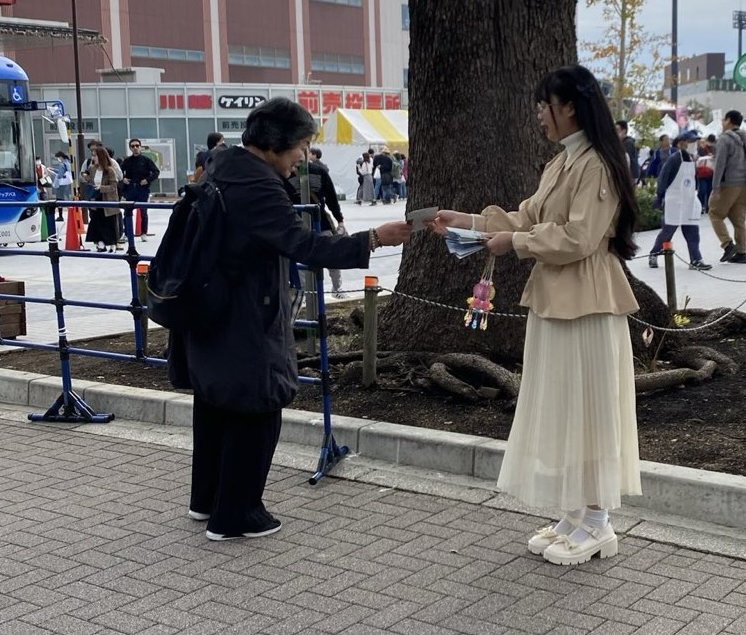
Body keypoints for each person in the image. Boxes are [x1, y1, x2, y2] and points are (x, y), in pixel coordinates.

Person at [431, 65, 641, 566]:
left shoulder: (596, 164)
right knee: (566, 404)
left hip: (588, 299)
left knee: (588, 408)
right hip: (555, 297)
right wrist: (470, 222)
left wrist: (517, 242)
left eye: (545, 105)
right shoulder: (563, 161)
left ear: (570, 107)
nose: (539, 114)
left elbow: (578, 238)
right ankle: (576, 511)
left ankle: (598, 521)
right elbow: (527, 217)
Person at [180, 98, 410, 541]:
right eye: (301, 146)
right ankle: (236, 516)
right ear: (274, 144)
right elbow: (303, 245)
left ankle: (205, 501)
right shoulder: (258, 185)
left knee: (215, 404)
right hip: (246, 312)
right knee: (258, 407)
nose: (304, 157)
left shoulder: (220, 168)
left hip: (209, 310)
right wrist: (373, 238)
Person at [647, 132, 712, 271]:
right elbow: (663, 177)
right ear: (681, 143)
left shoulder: (691, 158)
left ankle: (696, 260)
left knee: (692, 232)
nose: (694, 144)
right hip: (674, 201)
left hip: (689, 200)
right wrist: (659, 196)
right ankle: (653, 254)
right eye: (691, 141)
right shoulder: (674, 159)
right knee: (668, 231)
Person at [286, 158, 348, 298]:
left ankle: (334, 288)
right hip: (301, 223)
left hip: (316, 222)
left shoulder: (318, 171)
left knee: (329, 255)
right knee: (305, 259)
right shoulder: (286, 172)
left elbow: (331, 197)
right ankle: (308, 292)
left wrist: (339, 219)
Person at [708, 110, 746, 264]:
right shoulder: (744, 136)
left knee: (714, 213)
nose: (722, 122)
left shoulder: (725, 139)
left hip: (729, 183)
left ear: (729, 120)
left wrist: (715, 187)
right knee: (738, 219)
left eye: (724, 120)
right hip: (743, 184)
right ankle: (742, 251)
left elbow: (720, 164)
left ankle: (727, 244)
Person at [82, 146, 123, 252]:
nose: (93, 158)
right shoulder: (92, 168)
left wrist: (101, 188)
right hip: (95, 198)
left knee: (109, 223)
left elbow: (113, 187)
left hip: (107, 199)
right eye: (92, 156)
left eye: (95, 156)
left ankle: (113, 244)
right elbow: (89, 179)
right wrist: (86, 177)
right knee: (95, 222)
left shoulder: (110, 170)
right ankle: (100, 244)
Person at [121, 139, 160, 242]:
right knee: (127, 212)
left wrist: (147, 180)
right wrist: (123, 179)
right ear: (130, 148)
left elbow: (156, 172)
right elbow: (119, 172)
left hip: (142, 189)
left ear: (140, 147)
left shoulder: (146, 160)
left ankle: (143, 233)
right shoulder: (127, 161)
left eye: (137, 146)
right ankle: (127, 233)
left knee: (143, 212)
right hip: (130, 189)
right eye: (133, 146)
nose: (135, 148)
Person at [695, 136, 715, 214]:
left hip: (710, 173)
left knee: (709, 190)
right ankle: (700, 206)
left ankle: (708, 207)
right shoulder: (698, 151)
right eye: (701, 142)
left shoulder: (710, 149)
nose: (703, 144)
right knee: (702, 190)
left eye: (704, 142)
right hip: (702, 174)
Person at [51, 151, 73, 221]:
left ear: (60, 157)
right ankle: (70, 214)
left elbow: (60, 175)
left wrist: (54, 174)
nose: (57, 159)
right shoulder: (67, 163)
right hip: (66, 183)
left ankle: (60, 216)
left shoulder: (62, 164)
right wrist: (54, 170)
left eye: (57, 158)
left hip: (61, 184)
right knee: (65, 198)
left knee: (59, 199)